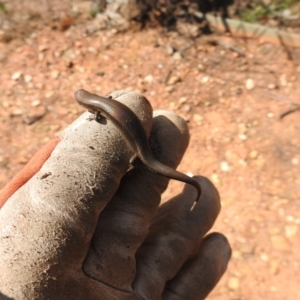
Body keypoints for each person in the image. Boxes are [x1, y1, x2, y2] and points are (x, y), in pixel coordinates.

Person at [0, 90, 231, 300]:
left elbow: (101, 112)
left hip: (127, 127)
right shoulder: (100, 105)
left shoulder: (98, 109)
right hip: (122, 121)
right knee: (146, 158)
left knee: (147, 158)